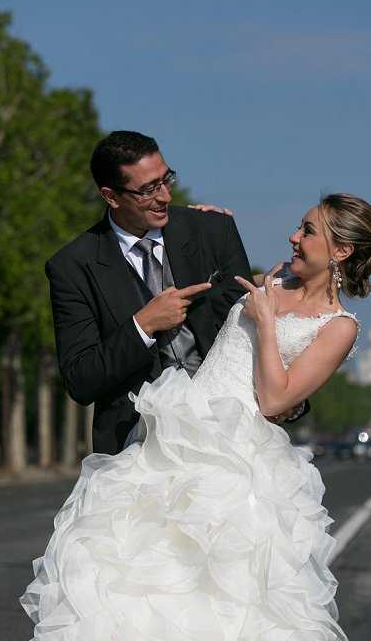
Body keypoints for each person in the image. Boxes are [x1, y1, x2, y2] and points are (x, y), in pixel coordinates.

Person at [0, 192, 371, 641]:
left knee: (222, 612)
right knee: (144, 590)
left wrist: (270, 321)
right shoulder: (268, 279)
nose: (292, 237)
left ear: (342, 249)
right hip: (175, 433)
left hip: (239, 458)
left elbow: (278, 400)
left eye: (306, 231)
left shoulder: (339, 326)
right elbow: (200, 262)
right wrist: (205, 220)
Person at [45, 130, 304, 455]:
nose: (165, 196)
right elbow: (81, 381)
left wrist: (290, 399)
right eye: (148, 190)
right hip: (136, 446)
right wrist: (142, 326)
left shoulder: (214, 230)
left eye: (166, 179)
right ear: (111, 196)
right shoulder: (72, 266)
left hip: (228, 435)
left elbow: (250, 331)